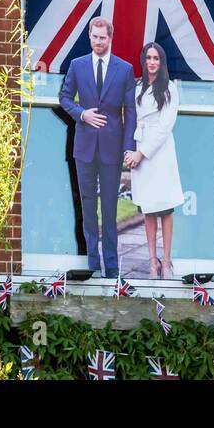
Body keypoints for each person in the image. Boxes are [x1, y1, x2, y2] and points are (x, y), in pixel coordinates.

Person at [58, 16, 136, 278]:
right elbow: (64, 98)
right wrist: (82, 114)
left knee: (111, 208)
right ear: (89, 36)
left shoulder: (124, 69)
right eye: (94, 37)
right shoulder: (77, 66)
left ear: (110, 38)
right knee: (88, 206)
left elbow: (131, 111)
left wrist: (128, 146)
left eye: (102, 38)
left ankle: (112, 268)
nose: (98, 42)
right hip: (85, 146)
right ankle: (93, 265)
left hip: (112, 147)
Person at [125, 42, 184, 279]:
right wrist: (131, 151)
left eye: (156, 58)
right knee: (148, 209)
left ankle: (167, 261)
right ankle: (152, 261)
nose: (152, 62)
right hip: (141, 146)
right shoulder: (137, 87)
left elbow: (164, 126)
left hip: (160, 152)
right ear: (144, 60)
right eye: (149, 57)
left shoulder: (169, 88)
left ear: (162, 62)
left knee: (165, 208)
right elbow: (129, 118)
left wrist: (142, 153)